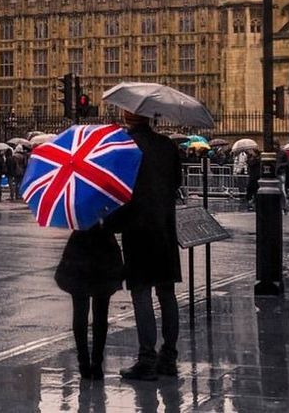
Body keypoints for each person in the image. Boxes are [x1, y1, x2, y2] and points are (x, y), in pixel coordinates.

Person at [105, 109, 183, 381]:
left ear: (128, 115)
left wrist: (110, 224)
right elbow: (176, 184)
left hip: (137, 230)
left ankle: (147, 359)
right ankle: (170, 358)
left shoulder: (124, 146)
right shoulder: (168, 146)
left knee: (141, 293)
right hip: (164, 227)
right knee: (167, 293)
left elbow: (117, 191)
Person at [55, 223, 124, 380]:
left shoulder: (78, 204)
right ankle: (97, 363)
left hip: (80, 250)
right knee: (101, 312)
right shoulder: (106, 204)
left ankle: (83, 362)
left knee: (80, 311)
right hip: (104, 251)